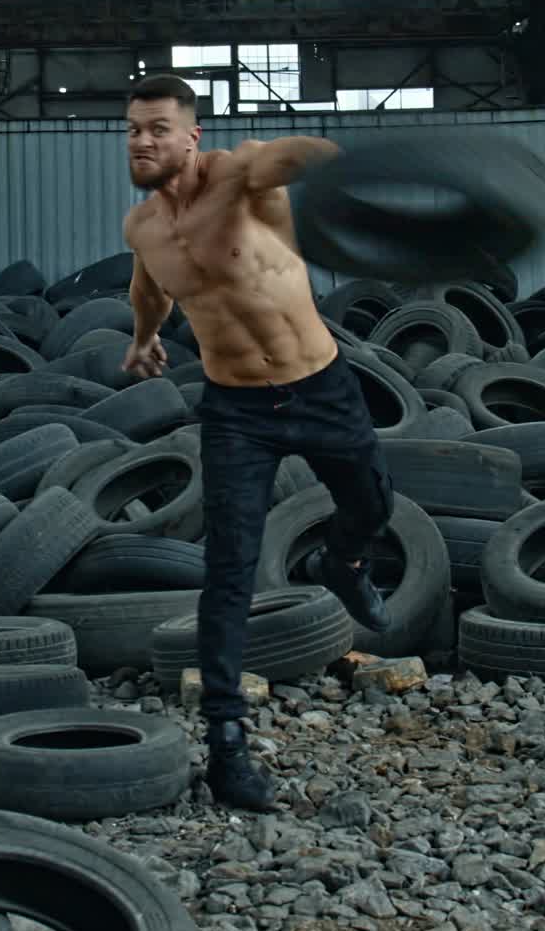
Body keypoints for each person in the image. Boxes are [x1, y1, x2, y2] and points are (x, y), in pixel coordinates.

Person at [120, 73, 395, 813]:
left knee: (371, 502)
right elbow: (151, 287)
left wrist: (319, 155)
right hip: (236, 407)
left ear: (191, 135)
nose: (141, 141)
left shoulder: (242, 178)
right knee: (230, 569)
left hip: (319, 384)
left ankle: (344, 559)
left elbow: (305, 157)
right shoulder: (142, 225)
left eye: (156, 128)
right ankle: (228, 746)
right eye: (133, 129)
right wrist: (145, 340)